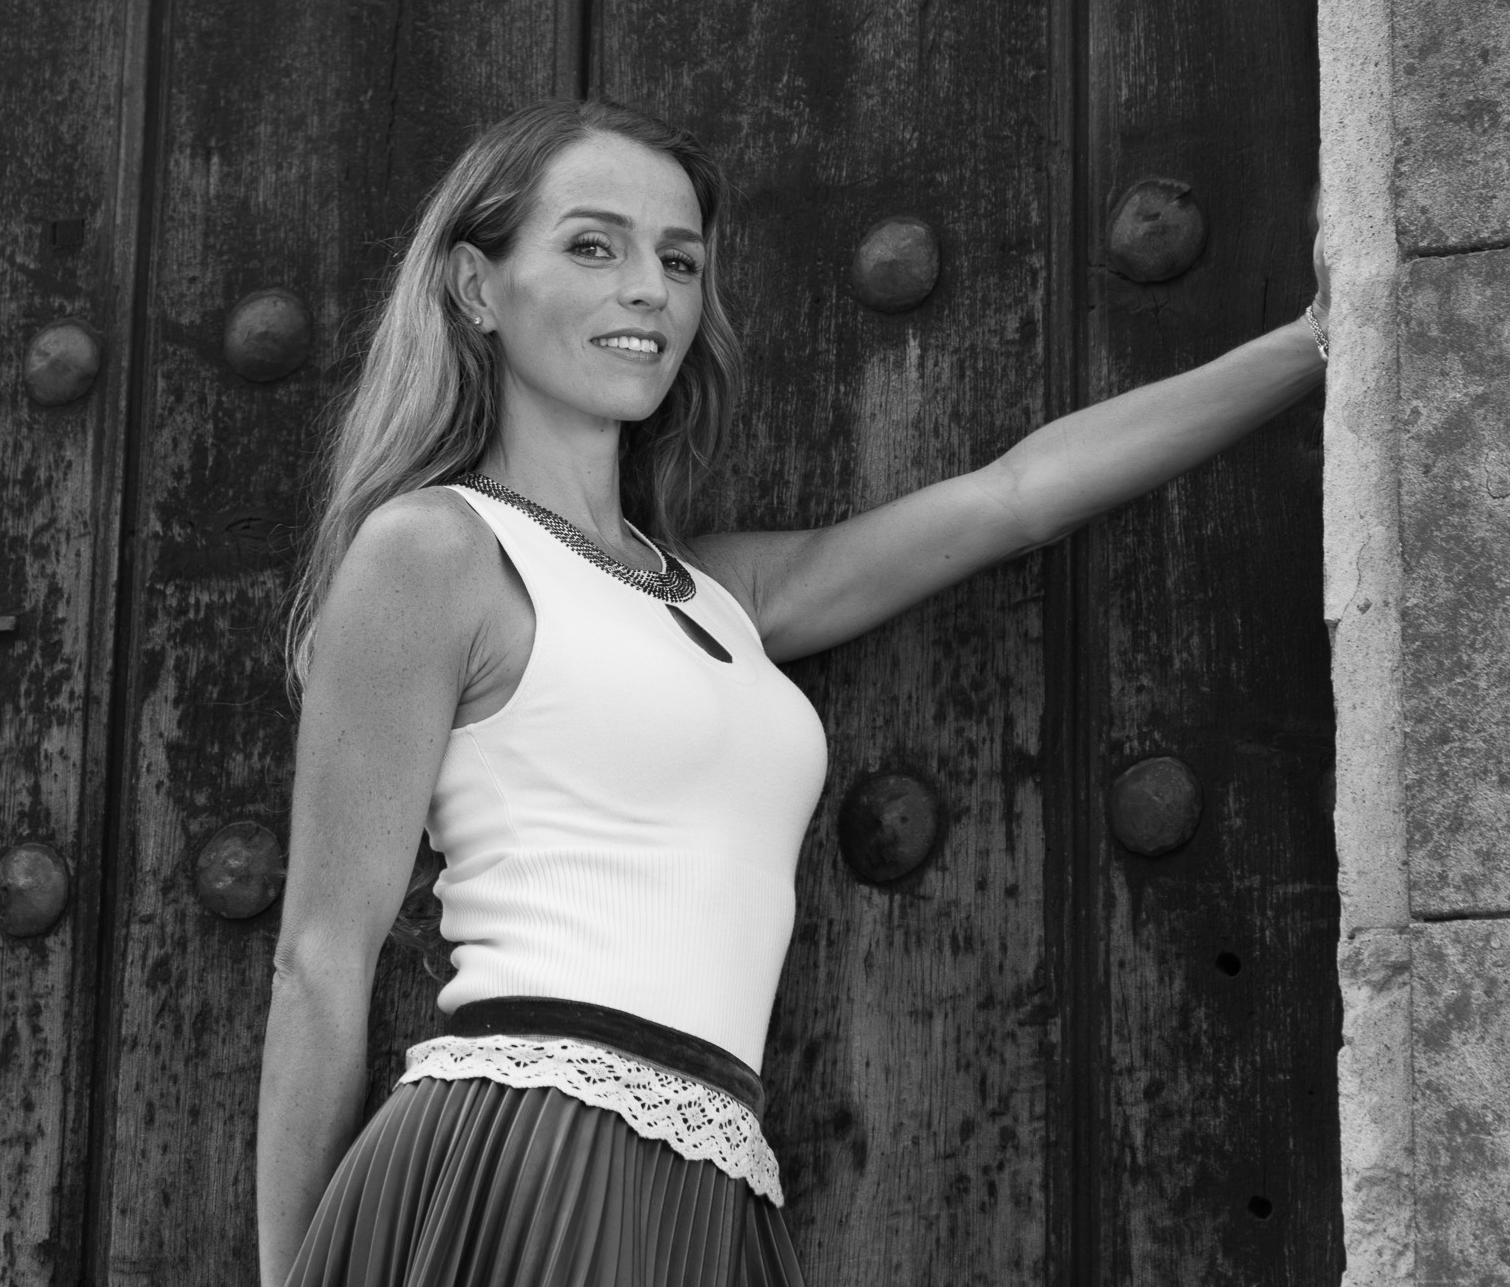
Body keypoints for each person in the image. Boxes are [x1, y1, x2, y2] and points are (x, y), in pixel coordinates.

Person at [256, 97, 1329, 1287]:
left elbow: (1013, 498)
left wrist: (1317, 339)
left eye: (678, 261)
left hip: (712, 1167)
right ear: (474, 285)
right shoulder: (435, 550)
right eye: (592, 246)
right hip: (527, 1142)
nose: (647, 291)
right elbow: (320, 954)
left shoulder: (715, 592)